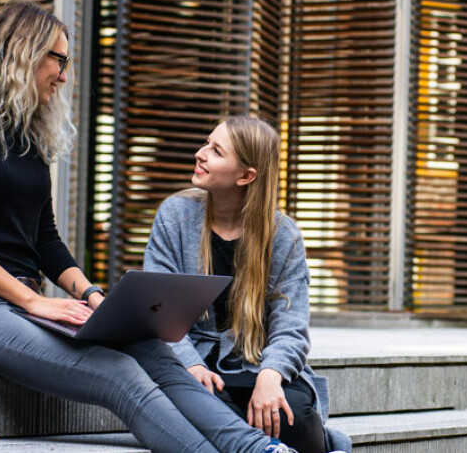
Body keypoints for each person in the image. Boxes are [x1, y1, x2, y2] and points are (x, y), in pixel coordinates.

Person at [0, 2, 304, 453]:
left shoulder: (29, 137)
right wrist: (34, 300)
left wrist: (94, 297)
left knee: (156, 354)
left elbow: (46, 241)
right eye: (58, 60)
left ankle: (261, 450)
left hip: (21, 308)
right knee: (117, 372)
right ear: (24, 52)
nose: (64, 75)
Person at [143, 116, 352, 453]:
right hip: (197, 361)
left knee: (289, 416)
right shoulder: (175, 216)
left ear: (246, 176)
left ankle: (325, 443)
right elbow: (158, 309)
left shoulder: (283, 235)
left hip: (258, 361)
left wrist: (271, 376)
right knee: (209, 412)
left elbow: (291, 327)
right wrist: (190, 363)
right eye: (206, 143)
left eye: (216, 150)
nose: (200, 153)